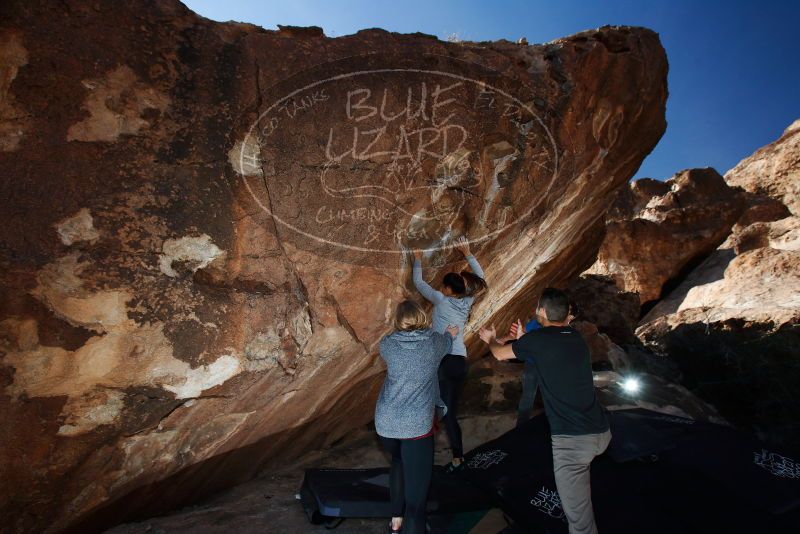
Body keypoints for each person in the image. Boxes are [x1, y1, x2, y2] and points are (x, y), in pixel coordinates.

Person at [479, 288, 609, 534]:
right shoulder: (573, 336)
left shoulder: (539, 340)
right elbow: (537, 347)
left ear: (541, 311)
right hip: (600, 429)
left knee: (580, 524)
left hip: (573, 441)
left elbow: (499, 353)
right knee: (581, 492)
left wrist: (491, 339)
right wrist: (523, 337)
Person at [375, 299, 459, 534]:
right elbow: (448, 342)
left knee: (398, 461)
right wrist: (450, 333)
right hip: (415, 429)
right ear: (423, 318)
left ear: (398, 321)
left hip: (386, 423)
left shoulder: (387, 344)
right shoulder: (434, 343)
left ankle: (395, 521)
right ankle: (407, 520)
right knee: (416, 505)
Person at [412, 236, 486, 472]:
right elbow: (482, 279)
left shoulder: (440, 299)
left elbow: (418, 282)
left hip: (443, 362)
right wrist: (468, 253)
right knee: (449, 413)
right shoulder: (466, 302)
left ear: (446, 289)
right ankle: (458, 457)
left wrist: (417, 259)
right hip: (460, 362)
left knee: (434, 411)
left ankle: (423, 458)